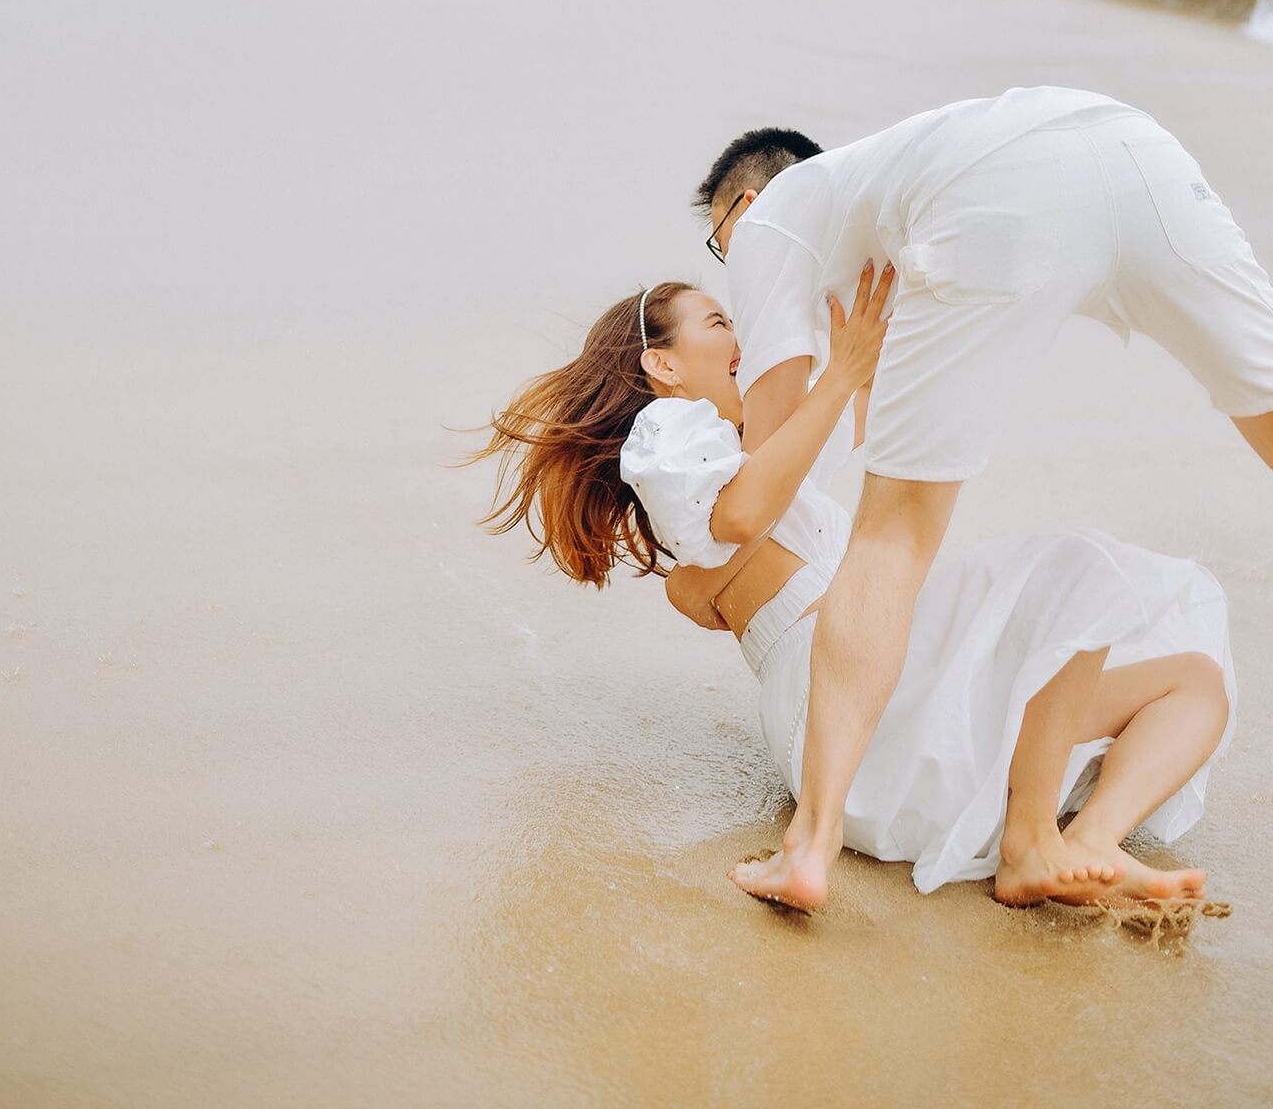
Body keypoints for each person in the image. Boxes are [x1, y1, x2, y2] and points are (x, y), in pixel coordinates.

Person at [678, 87, 1273, 909]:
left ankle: (809, 846)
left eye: (719, 246)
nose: (731, 265)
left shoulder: (771, 219)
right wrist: (854, 362)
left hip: (997, 194)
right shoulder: (883, 220)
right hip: (1136, 149)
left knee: (892, 534)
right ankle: (1050, 839)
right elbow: (872, 428)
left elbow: (764, 481)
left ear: (743, 206)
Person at [476, 277, 1234, 908]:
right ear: (662, 365)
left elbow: (837, 464)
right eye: (716, 321)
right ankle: (1031, 838)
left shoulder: (728, 464)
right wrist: (836, 376)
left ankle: (1088, 836)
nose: (737, 333)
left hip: (869, 723)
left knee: (1193, 681)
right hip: (855, 689)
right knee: (1074, 567)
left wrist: (863, 362)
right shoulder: (666, 434)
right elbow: (740, 514)